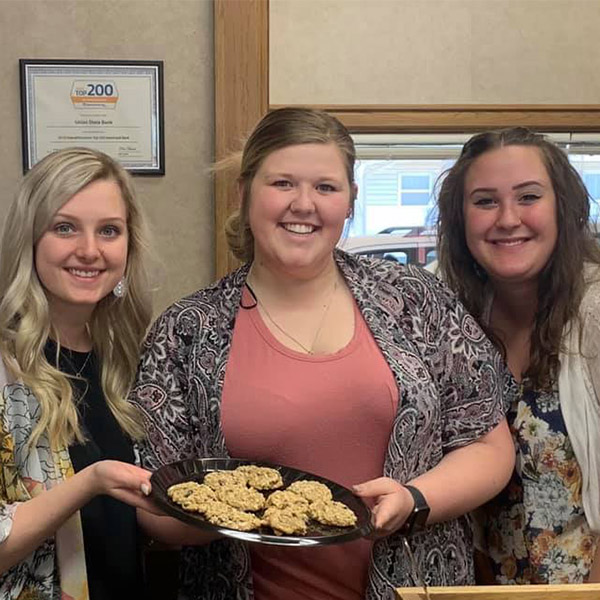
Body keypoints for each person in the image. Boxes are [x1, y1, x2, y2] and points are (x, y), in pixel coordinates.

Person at [131, 107, 515, 600]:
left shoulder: (415, 298)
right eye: (283, 184)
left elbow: (489, 448)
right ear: (243, 192)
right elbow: (154, 505)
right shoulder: (186, 331)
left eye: (326, 188)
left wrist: (415, 499)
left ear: (351, 201)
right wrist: (240, 513)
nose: (304, 204)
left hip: (414, 587)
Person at [436, 127, 600, 584]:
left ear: (563, 209)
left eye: (528, 197)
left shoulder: (595, 313)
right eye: (485, 201)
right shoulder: (452, 319)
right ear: (460, 220)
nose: (507, 219)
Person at [0, 147, 158, 599]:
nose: (89, 251)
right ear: (29, 241)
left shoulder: (127, 358)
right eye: (64, 228)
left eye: (109, 231)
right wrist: (89, 483)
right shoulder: (6, 366)